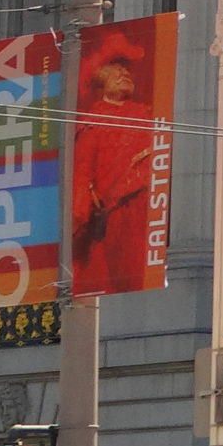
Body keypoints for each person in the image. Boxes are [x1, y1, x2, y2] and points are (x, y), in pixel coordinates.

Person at [70, 29, 161, 294]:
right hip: (120, 215)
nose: (124, 73)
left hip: (153, 203)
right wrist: (78, 220)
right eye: (114, 67)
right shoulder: (91, 124)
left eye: (125, 67)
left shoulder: (147, 113)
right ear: (99, 77)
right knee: (129, 276)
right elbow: (82, 178)